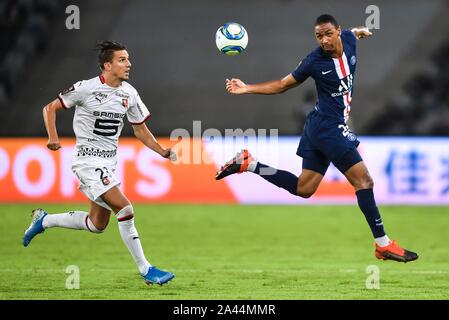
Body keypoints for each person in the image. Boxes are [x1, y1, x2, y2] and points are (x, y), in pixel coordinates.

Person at [216, 15, 418, 263]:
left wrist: (360, 31)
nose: (324, 40)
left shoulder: (348, 39)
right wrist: (247, 88)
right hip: (328, 128)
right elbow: (281, 85)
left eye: (328, 34)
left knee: (304, 189)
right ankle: (383, 244)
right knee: (364, 181)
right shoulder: (313, 61)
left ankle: (250, 164)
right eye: (319, 36)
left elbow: (352, 33)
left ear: (338, 31)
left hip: (318, 125)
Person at [22, 40, 176, 285]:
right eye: (122, 60)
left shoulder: (129, 93)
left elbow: (140, 130)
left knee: (97, 225)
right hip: (87, 162)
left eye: (128, 59)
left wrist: (162, 151)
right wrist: (53, 137)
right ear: (107, 65)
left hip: (109, 163)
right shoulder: (86, 89)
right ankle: (146, 269)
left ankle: (44, 220)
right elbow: (49, 108)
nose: (129, 64)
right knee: (125, 209)